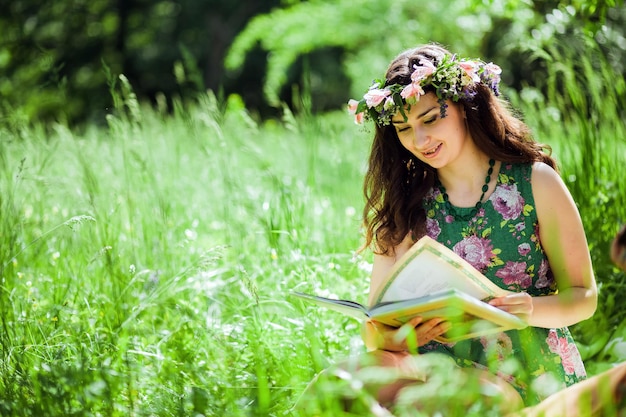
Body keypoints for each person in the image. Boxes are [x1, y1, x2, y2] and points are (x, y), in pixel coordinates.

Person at [342, 43, 600, 412]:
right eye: (403, 128)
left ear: (463, 107)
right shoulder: (405, 205)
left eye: (430, 119)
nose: (419, 140)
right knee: (339, 383)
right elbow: (375, 328)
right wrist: (399, 339)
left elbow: (584, 298)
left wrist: (527, 309)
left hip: (521, 371)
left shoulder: (535, 184)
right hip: (430, 369)